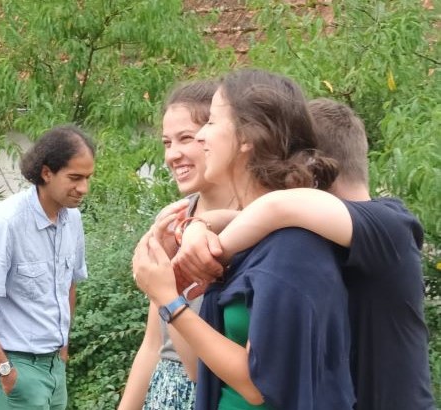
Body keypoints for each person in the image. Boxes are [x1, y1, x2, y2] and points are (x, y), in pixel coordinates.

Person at [174, 98, 436, 409]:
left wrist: (210, 257)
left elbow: (276, 208)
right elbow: (254, 216)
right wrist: (198, 226)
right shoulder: (316, 234)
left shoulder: (389, 227)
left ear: (312, 164)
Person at [132, 69, 355, 410]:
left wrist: (170, 300)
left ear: (247, 137)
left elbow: (258, 385)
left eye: (211, 122)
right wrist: (173, 288)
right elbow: (201, 371)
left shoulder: (291, 247)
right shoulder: (247, 241)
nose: (201, 137)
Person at [0, 125, 95, 410]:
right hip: (15, 364)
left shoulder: (72, 219)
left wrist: (63, 348)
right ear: (46, 173)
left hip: (54, 364)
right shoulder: (6, 222)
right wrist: (4, 370)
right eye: (75, 178)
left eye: (88, 178)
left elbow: (68, 284)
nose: (84, 188)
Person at [119, 80, 238, 410]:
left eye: (186, 138)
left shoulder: (253, 223)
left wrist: (171, 293)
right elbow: (152, 344)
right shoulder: (173, 219)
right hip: (164, 392)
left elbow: (204, 370)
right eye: (167, 142)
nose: (172, 154)